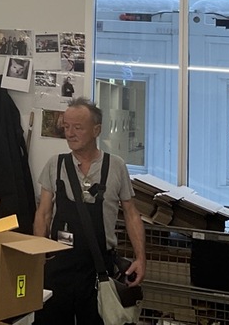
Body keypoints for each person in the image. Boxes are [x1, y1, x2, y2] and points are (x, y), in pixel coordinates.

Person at [33, 98, 146, 325]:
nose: (70, 133)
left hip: (98, 269)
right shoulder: (55, 164)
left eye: (78, 127)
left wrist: (141, 258)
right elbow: (43, 213)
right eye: (66, 126)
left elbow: (131, 214)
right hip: (58, 266)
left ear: (96, 130)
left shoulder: (115, 166)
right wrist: (37, 257)